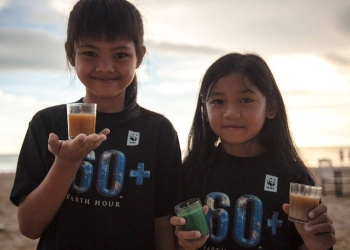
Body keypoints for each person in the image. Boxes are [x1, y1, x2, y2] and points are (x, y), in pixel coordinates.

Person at [10, 0, 181, 249]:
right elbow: (29, 227)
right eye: (90, 53)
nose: (104, 66)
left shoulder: (159, 131)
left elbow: (163, 222)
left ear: (139, 57)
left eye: (120, 54)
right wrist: (66, 163)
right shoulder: (47, 124)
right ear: (71, 53)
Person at [171, 53, 336, 250]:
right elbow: (174, 237)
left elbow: (308, 242)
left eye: (246, 100)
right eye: (217, 102)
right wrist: (183, 242)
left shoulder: (294, 178)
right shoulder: (194, 169)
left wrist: (316, 245)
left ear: (271, 107)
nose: (231, 112)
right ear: (204, 110)